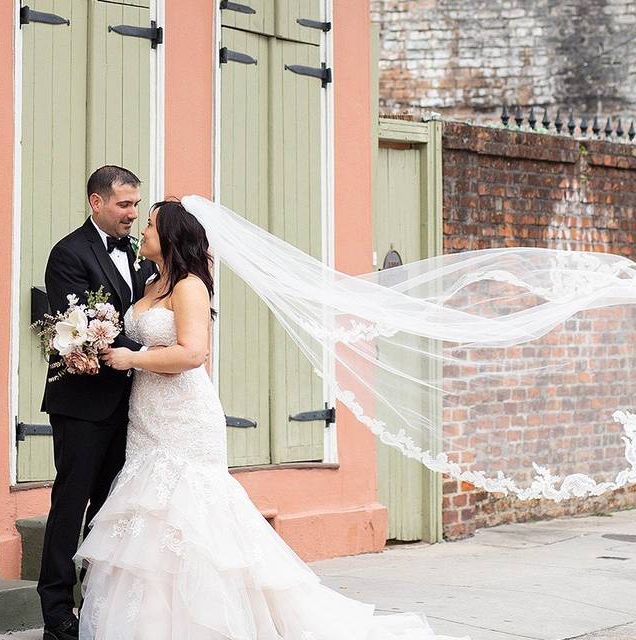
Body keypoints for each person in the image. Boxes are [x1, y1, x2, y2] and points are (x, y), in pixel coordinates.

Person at [75, 199, 466, 639]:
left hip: (184, 414)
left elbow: (193, 353)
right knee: (150, 515)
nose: (142, 230)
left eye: (149, 224)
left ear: (169, 236)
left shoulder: (189, 287)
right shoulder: (148, 284)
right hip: (147, 416)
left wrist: (132, 357)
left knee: (193, 513)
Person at [37, 166, 158, 640]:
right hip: (83, 405)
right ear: (96, 203)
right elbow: (78, 324)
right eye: (124, 204)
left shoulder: (139, 252)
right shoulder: (68, 253)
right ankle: (57, 614)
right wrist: (153, 355)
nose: (133, 213)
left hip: (133, 406)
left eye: (136, 204)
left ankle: (100, 605)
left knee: (112, 508)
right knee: (70, 506)